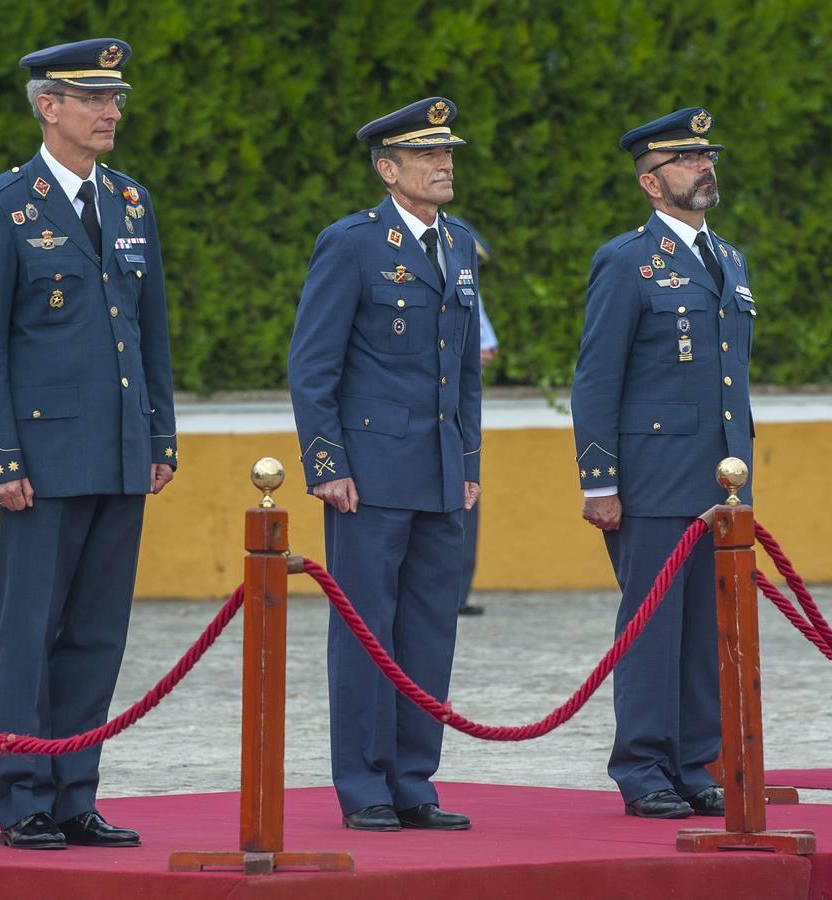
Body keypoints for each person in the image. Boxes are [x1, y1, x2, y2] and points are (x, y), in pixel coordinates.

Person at [0, 38, 178, 851]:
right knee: (31, 630)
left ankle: (76, 790)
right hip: (42, 464)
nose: (110, 112)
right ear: (49, 107)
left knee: (96, 633)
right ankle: (22, 797)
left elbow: (150, 333)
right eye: (92, 99)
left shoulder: (131, 202)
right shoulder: (3, 207)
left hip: (119, 454)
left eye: (115, 98)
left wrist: (161, 436)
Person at [288, 97, 482, 832]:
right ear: (387, 168)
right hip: (366, 475)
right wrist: (327, 462)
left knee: (431, 630)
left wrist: (467, 460)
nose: (444, 165)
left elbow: (464, 371)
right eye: (429, 156)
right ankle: (364, 785)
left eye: (448, 154)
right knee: (368, 629)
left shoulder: (459, 244)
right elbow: (312, 366)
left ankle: (413, 781)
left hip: (438, 472)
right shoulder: (351, 243)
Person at [570, 107, 755, 819]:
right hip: (650, 480)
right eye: (684, 160)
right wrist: (599, 481)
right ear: (652, 182)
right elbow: (596, 378)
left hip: (721, 479)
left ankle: (692, 762)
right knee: (651, 629)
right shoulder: (627, 261)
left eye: (707, 156)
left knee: (707, 630)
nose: (703, 167)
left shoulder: (729, 258)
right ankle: (643, 767)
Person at [443, 215, 497, 617]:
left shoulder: (464, 282)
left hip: (456, 410)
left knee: (465, 496)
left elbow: (483, 344)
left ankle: (457, 592)